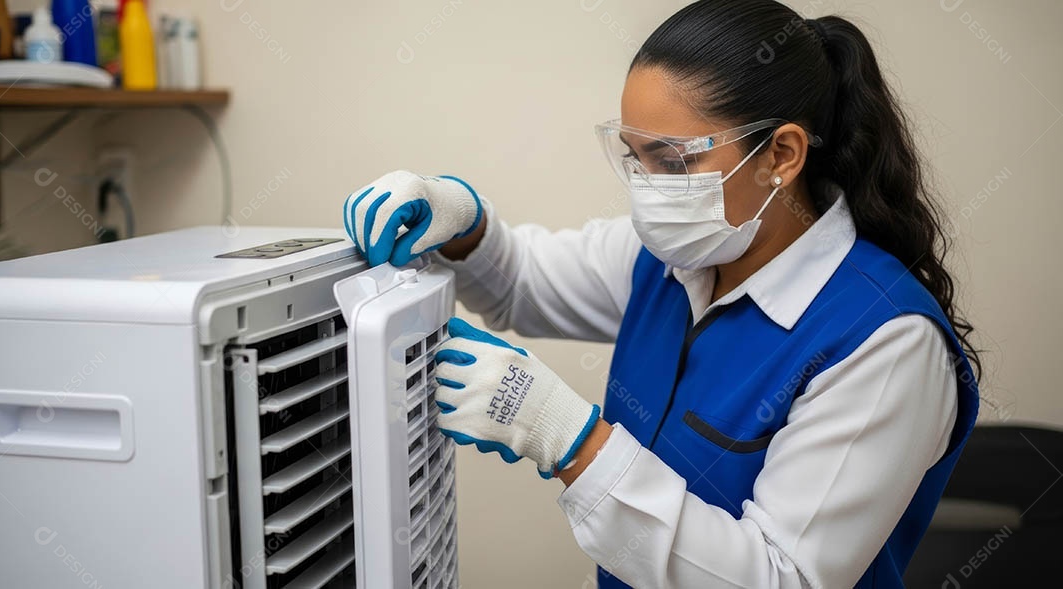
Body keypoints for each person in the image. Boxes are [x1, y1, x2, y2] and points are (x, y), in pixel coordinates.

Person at [342, 1, 980, 586]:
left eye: (674, 162)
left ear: (781, 155)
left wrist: (568, 439)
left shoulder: (885, 341)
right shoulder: (677, 256)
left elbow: (783, 577)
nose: (648, 189)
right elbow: (523, 284)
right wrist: (461, 217)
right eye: (635, 156)